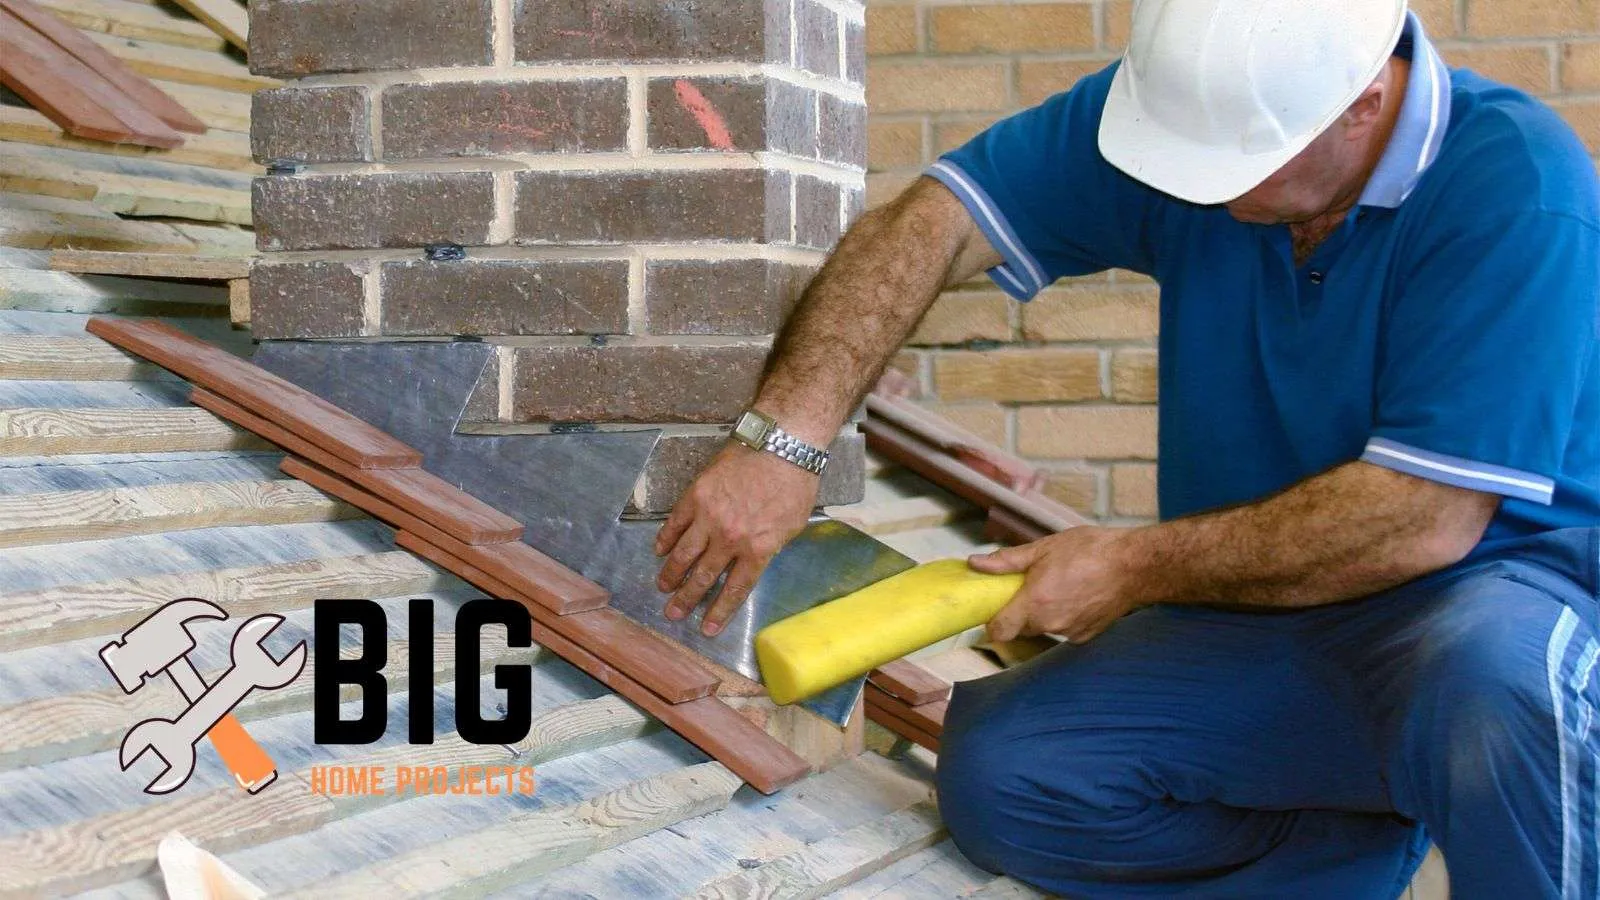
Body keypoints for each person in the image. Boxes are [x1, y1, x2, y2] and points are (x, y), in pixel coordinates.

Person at [654, 0, 1600, 895]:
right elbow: (933, 223)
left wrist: (1131, 567)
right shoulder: (1189, 117)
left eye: (1239, 170)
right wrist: (787, 440)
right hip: (1266, 606)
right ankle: (1339, 850)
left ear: (1362, 106)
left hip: (1489, 594)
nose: (1207, 199)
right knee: (1011, 774)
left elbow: (1420, 520)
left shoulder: (1515, 183)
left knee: (1500, 697)